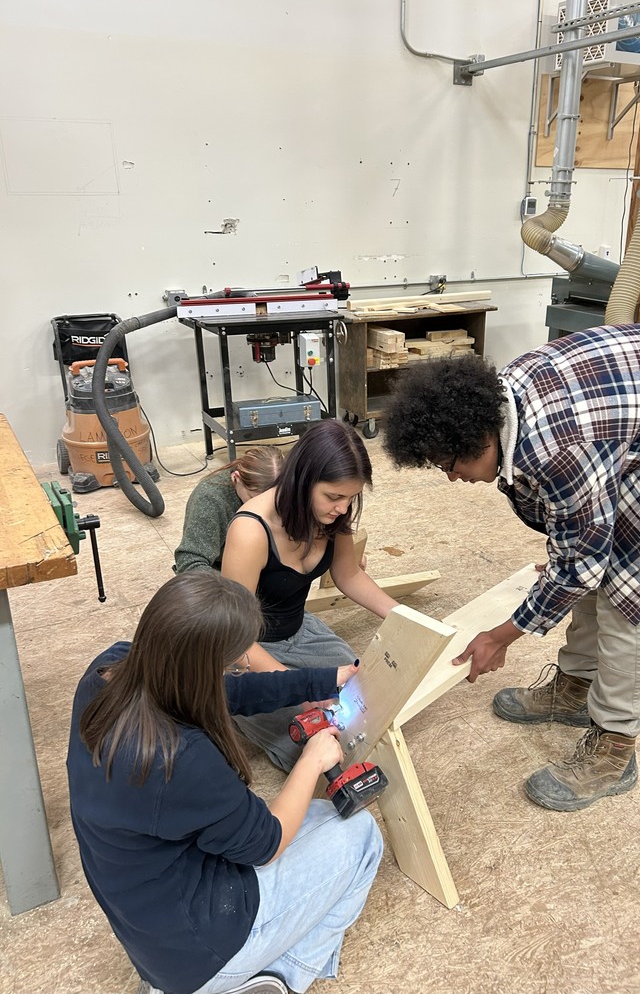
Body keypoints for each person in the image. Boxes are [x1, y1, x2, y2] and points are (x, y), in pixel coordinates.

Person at [381, 323, 640, 812]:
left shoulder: (556, 449)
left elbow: (583, 561)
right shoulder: (499, 403)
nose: (452, 478)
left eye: (449, 464)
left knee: (633, 591)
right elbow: (577, 545)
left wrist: (502, 635)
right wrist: (568, 563)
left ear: (477, 435)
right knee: (588, 557)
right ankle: (577, 688)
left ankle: (616, 746)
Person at [67, 571, 383, 994]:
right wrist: (311, 761)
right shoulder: (180, 757)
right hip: (197, 954)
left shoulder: (109, 669)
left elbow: (225, 693)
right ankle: (276, 979)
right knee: (361, 835)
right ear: (204, 665)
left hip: (147, 925)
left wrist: (323, 680)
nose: (237, 671)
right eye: (233, 663)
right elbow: (267, 845)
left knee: (315, 817)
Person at [221, 419, 399, 770]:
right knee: (312, 747)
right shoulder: (250, 530)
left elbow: (348, 575)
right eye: (333, 497)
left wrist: (404, 617)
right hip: (245, 650)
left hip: (299, 631)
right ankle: (228, 704)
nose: (343, 508)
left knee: (364, 699)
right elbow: (235, 638)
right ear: (302, 481)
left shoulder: (332, 516)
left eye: (351, 497)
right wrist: (298, 689)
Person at [175, 446, 286, 574]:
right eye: (253, 498)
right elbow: (189, 561)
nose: (264, 508)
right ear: (236, 478)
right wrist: (230, 586)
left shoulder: (290, 489)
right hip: (222, 573)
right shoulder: (210, 498)